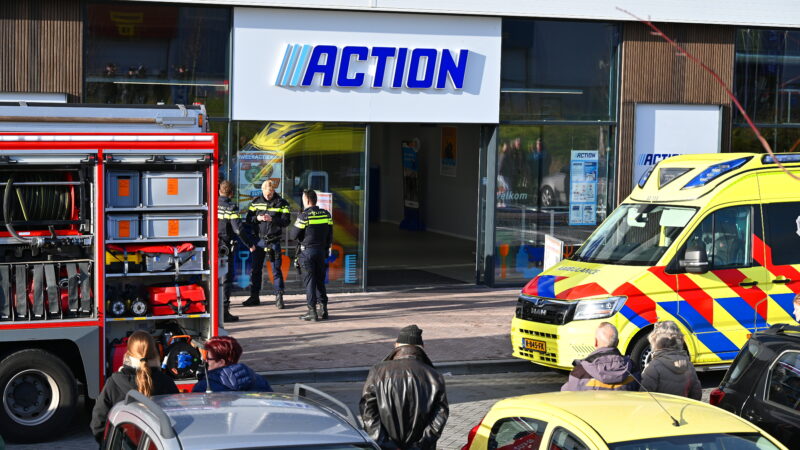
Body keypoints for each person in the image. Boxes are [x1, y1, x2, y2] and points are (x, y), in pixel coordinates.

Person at [359, 325, 449, 450]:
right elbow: (439, 417)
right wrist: (419, 446)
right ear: (422, 347)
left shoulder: (378, 371)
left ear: (397, 345)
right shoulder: (434, 375)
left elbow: (368, 411)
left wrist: (384, 443)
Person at [90, 331, 178, 442]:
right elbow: (177, 419)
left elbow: (98, 423)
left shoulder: (113, 383)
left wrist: (107, 444)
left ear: (128, 353)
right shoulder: (166, 382)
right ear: (155, 352)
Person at [243, 179, 291, 309]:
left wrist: (273, 219)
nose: (268, 196)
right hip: (259, 241)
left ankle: (279, 297)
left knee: (276, 270)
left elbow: (286, 221)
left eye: (270, 193)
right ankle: (254, 297)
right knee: (255, 270)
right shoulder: (256, 202)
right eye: (266, 193)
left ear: (273, 190)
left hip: (273, 240)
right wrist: (257, 218)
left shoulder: (282, 203)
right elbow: (248, 220)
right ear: (262, 191)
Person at [289, 189, 333, 321]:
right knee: (320, 280)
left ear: (307, 200)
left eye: (303, 199)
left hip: (307, 252)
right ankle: (324, 309)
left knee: (310, 282)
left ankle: (312, 311)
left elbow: (293, 235)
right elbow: (330, 234)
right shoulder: (326, 214)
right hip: (321, 252)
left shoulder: (304, 216)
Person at [217, 180, 255, 322]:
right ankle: (224, 312)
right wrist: (250, 244)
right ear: (231, 193)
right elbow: (238, 229)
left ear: (220, 191)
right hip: (225, 248)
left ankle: (213, 309)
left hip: (213, 246)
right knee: (226, 279)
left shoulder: (213, 204)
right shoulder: (231, 208)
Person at [561, 322, 638, 391]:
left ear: (596, 342)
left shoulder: (580, 372)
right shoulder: (633, 369)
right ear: (617, 342)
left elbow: (566, 396)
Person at [639, 321, 702, 399]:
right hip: (682, 409)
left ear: (655, 341)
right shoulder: (689, 365)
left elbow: (644, 397)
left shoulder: (653, 367)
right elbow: (696, 394)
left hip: (661, 410)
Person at [193, 336, 272, 393]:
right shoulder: (260, 381)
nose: (205, 361)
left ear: (221, 362)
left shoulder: (204, 387)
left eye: (207, 358)